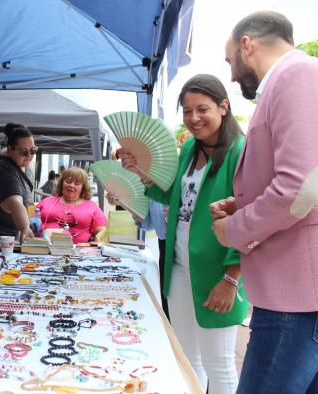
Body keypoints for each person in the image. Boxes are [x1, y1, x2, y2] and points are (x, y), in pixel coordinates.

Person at [120, 74, 248, 394]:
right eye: (187, 111)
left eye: (202, 109)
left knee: (218, 364)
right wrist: (140, 172)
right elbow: (174, 196)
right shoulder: (190, 147)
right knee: (188, 358)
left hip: (217, 274)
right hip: (178, 268)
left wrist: (231, 279)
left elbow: (248, 220)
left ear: (224, 107)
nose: (193, 118)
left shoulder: (240, 151)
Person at [211, 11, 318, 393]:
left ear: (246, 45)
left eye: (229, 61)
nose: (231, 74)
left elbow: (302, 187)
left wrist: (235, 230)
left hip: (296, 299)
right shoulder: (293, 79)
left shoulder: (297, 75)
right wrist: (243, 206)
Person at [36, 167, 107, 244]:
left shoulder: (92, 206)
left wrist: (97, 242)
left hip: (79, 252)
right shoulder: (47, 201)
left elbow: (102, 230)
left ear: (83, 188)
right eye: (68, 181)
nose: (71, 185)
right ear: (62, 183)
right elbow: (33, 222)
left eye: (77, 184)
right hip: (44, 249)